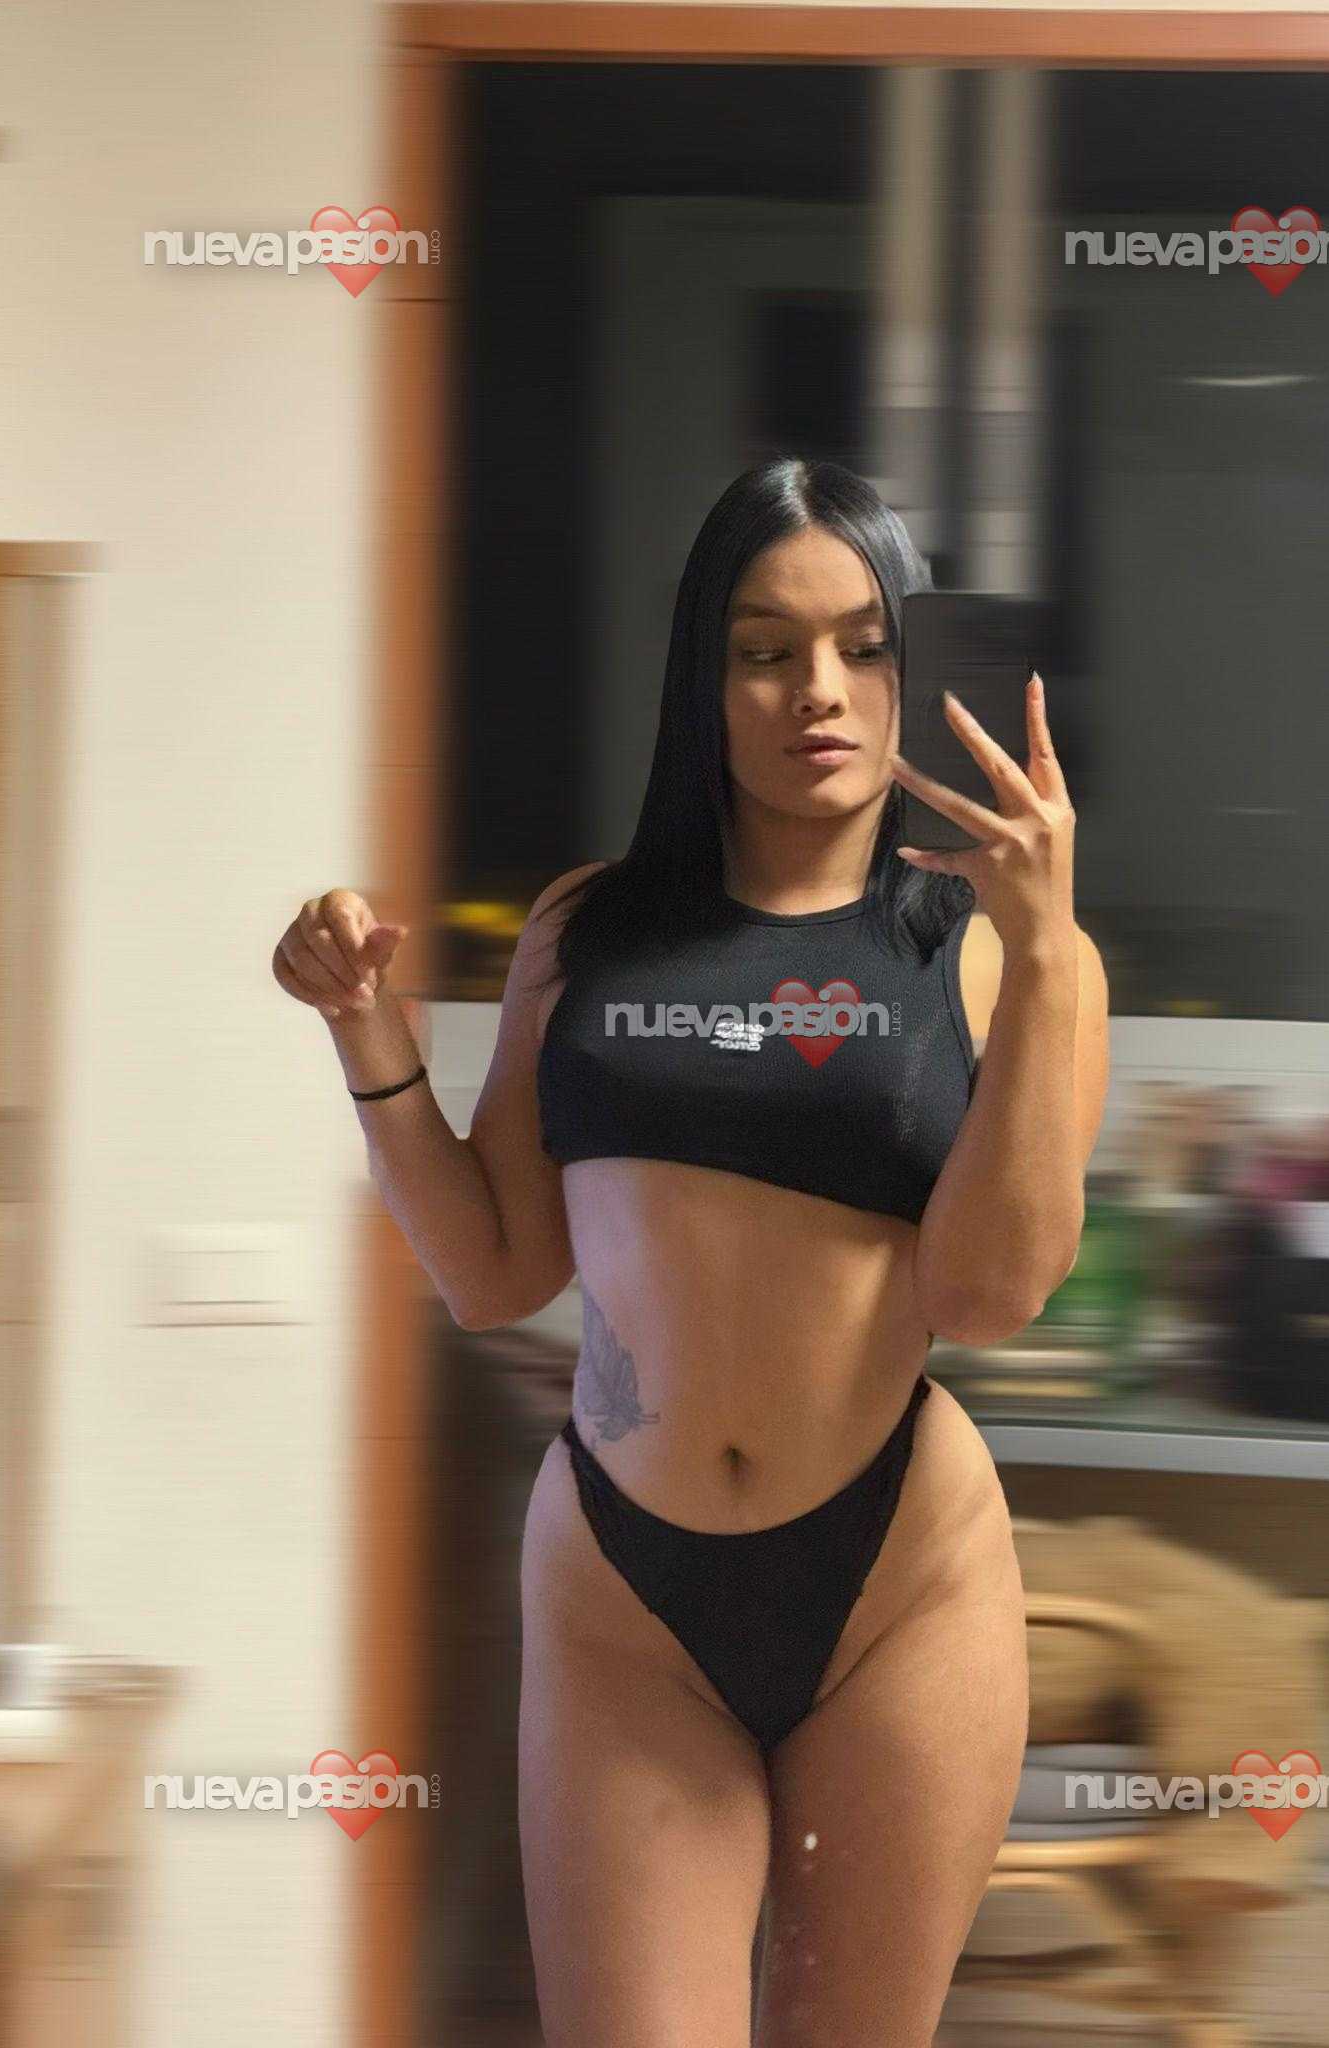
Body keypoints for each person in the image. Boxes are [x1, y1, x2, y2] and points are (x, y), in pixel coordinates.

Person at [274, 457, 1109, 2047]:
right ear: (703, 682)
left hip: (899, 1581)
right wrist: (367, 1033)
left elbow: (990, 1296)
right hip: (623, 1593)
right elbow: (494, 1273)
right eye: (764, 649)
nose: (820, 690)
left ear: (912, 667)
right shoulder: (588, 933)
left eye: (864, 645)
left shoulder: (995, 955)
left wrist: (1051, 950)